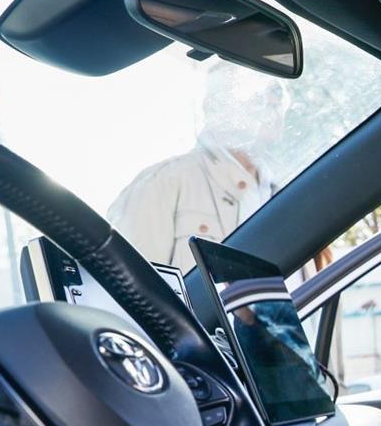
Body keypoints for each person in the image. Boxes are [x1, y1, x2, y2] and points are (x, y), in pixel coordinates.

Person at [108, 63, 285, 273]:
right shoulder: (165, 182)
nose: (275, 100)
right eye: (259, 96)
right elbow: (128, 289)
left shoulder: (290, 197)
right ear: (214, 107)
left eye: (277, 95)